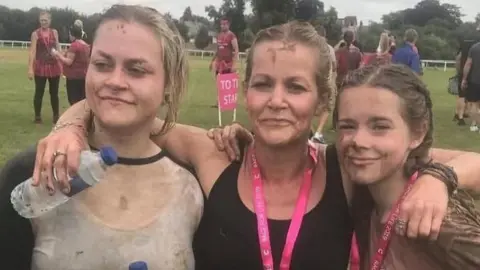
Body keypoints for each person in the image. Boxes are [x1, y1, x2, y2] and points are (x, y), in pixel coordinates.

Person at [32, 21, 480, 270]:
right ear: (246, 92)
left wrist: (440, 177)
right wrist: (69, 128)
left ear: (322, 100)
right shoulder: (214, 156)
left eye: (296, 87)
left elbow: (463, 160)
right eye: (263, 84)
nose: (276, 101)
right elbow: (129, 113)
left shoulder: (345, 162)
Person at [208, 65, 480, 269]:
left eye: (379, 127)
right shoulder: (362, 196)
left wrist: (441, 177)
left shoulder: (436, 220)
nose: (359, 141)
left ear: (418, 133)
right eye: (348, 126)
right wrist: (251, 140)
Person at [0, 5, 202, 269]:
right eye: (102, 64)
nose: (115, 81)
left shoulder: (193, 189)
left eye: (136, 69)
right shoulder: (32, 172)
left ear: (169, 84)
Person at [28, 11, 62, 124]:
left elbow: (58, 47)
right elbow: (32, 51)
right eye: (42, 20)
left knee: (54, 93)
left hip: (54, 66)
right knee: (39, 92)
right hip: (40, 67)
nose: (43, 22)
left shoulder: (55, 32)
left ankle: (56, 116)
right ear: (39, 21)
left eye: (45, 20)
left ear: (50, 21)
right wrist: (30, 69)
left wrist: (61, 63)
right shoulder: (35, 34)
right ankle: (37, 117)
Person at [52, 24, 90, 105]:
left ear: (73, 35)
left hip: (74, 78)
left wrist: (57, 54)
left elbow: (68, 62)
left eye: (70, 34)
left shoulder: (74, 45)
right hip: (83, 77)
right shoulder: (86, 45)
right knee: (82, 101)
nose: (69, 36)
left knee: (74, 101)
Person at [312, 25, 337, 144]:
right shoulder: (329, 48)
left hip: (313, 81)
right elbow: (334, 65)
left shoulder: (311, 47)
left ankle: (309, 130)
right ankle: (318, 132)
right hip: (327, 81)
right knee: (327, 107)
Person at [209, 18, 239, 108]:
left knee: (227, 84)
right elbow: (218, 50)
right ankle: (218, 102)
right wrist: (212, 61)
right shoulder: (219, 35)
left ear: (228, 25)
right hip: (219, 64)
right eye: (221, 24)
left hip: (228, 63)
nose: (222, 26)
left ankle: (227, 103)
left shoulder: (232, 36)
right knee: (219, 83)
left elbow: (236, 49)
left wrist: (234, 64)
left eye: (224, 24)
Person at [461, 40, 480, 133]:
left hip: (475, 80)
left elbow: (468, 64)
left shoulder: (474, 48)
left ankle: (474, 124)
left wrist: (464, 79)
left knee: (474, 104)